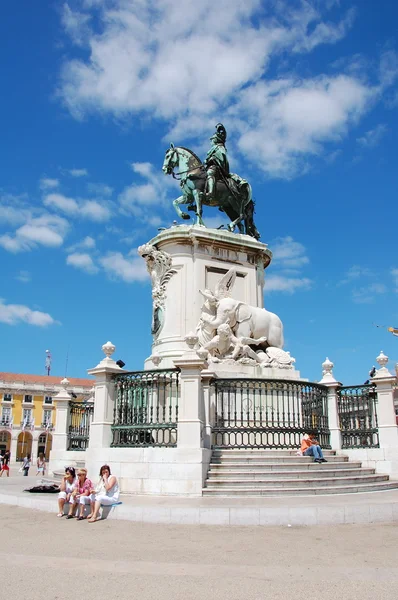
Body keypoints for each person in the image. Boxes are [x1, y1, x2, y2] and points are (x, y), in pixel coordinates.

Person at [204, 123, 229, 202]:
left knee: (210, 174)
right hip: (209, 166)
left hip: (217, 167)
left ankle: (211, 193)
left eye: (212, 139)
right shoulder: (212, 149)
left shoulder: (220, 147)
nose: (211, 141)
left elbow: (221, 157)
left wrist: (213, 159)